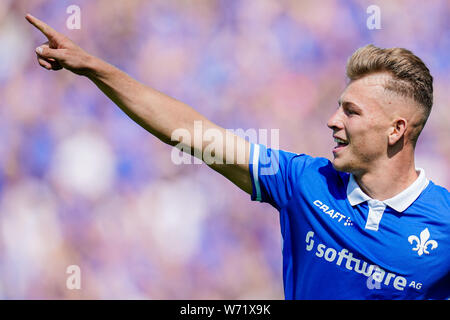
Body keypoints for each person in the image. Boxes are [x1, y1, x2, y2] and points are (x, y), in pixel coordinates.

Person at [25, 13, 449, 300]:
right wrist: (96, 68)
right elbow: (193, 134)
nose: (332, 119)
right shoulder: (304, 182)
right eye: (339, 105)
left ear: (397, 130)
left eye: (351, 112)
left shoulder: (444, 224)